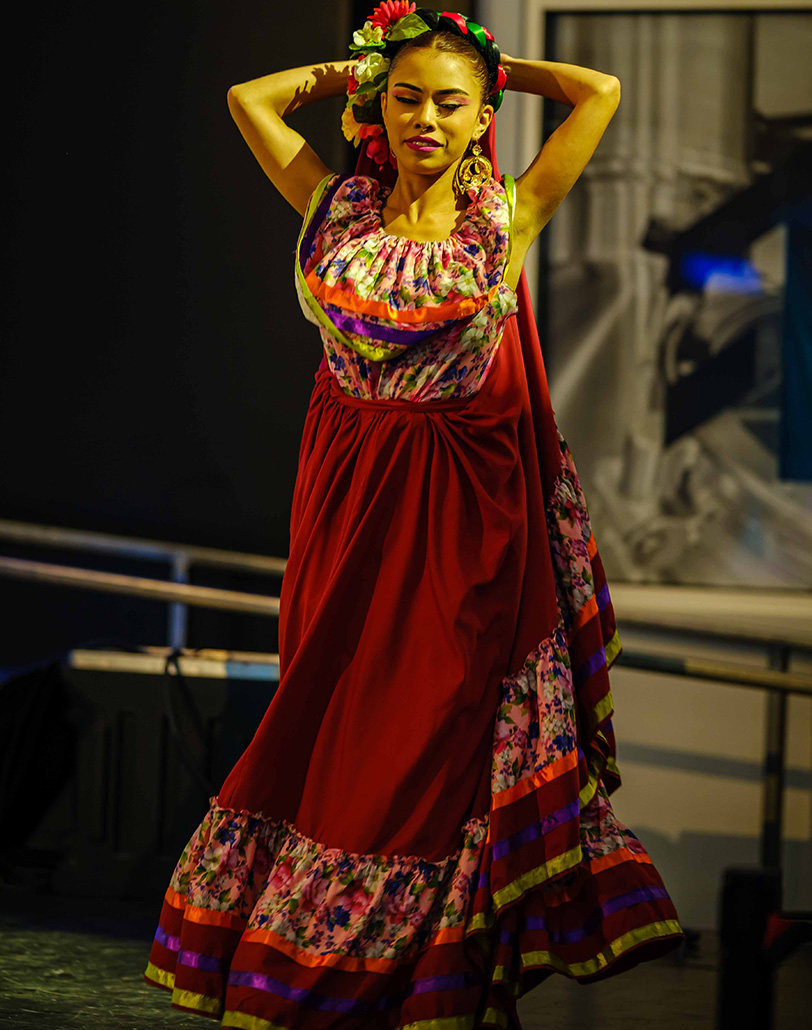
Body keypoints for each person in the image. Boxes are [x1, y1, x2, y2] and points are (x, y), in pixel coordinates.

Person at [144, 6, 684, 1028]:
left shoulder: (508, 214)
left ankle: (427, 959)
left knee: (434, 728)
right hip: (350, 500)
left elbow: (597, 94)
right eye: (404, 100)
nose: (424, 119)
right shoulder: (330, 207)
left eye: (448, 104)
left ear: (480, 117)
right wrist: (364, 62)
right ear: (375, 107)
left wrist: (486, 63)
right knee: (337, 714)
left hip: (463, 518)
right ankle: (334, 964)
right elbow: (246, 100)